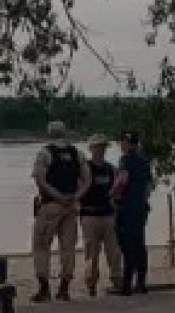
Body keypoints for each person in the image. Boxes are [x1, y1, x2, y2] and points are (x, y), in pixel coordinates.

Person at [30, 120, 86, 302]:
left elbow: (40, 178)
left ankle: (44, 288)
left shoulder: (45, 153)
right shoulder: (77, 153)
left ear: (49, 133)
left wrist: (57, 196)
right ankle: (64, 288)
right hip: (71, 207)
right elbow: (88, 179)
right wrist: (75, 196)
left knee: (40, 245)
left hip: (50, 206)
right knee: (68, 248)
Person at [111, 130, 154, 296]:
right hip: (140, 208)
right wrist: (142, 201)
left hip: (127, 208)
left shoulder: (125, 160)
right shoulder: (144, 161)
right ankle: (141, 283)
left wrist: (112, 196)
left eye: (122, 142)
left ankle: (127, 284)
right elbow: (148, 186)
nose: (121, 145)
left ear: (127, 143)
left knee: (126, 244)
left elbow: (122, 182)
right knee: (139, 243)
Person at [78, 134, 121, 296]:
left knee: (114, 252)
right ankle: (91, 284)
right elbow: (78, 188)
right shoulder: (85, 169)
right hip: (90, 216)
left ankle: (117, 280)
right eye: (97, 147)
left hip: (109, 216)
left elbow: (118, 189)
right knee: (91, 253)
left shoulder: (111, 169)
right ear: (91, 149)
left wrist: (115, 202)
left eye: (103, 147)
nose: (100, 150)